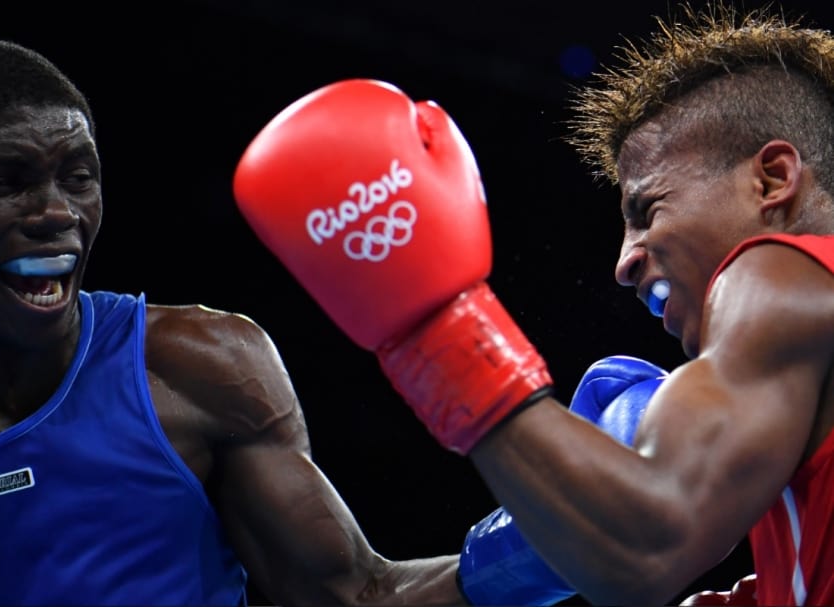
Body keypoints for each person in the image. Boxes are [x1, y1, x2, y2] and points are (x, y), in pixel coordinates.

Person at [231, 2, 834, 604]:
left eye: (647, 212)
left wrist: (442, 333)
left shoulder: (779, 275)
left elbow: (645, 547)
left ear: (772, 179)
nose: (625, 263)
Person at [0, 35, 479, 606]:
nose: (58, 211)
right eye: (6, 182)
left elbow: (358, 596)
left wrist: (540, 540)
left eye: (78, 177)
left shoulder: (194, 369)